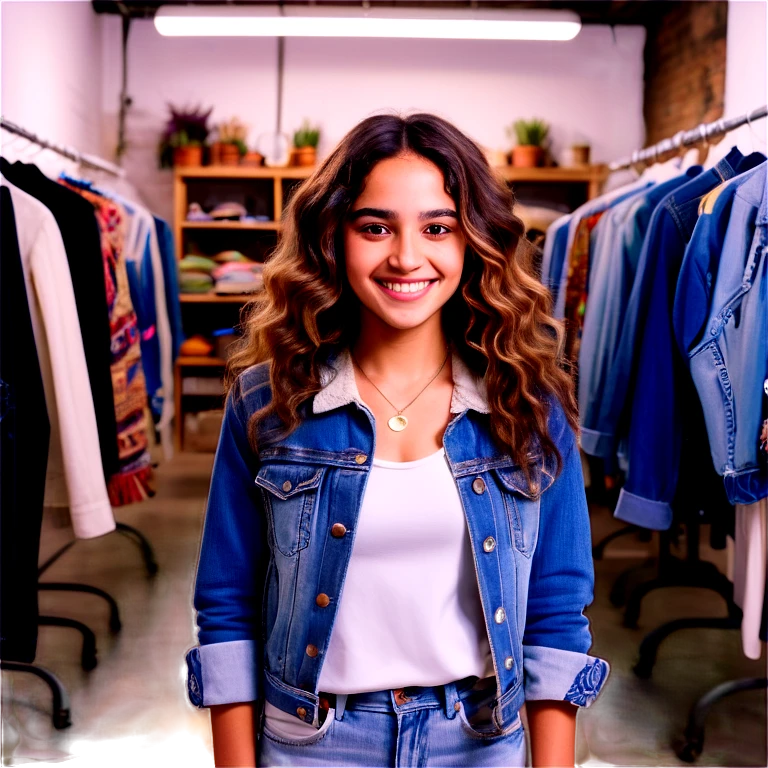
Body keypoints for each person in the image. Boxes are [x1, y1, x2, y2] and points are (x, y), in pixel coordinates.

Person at [184, 112, 609, 767]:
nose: (407, 257)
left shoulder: (529, 405)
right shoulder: (267, 402)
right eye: (375, 227)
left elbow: (555, 612)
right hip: (312, 744)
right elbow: (227, 604)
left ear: (473, 242)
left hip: (478, 741)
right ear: (333, 236)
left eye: (437, 227)